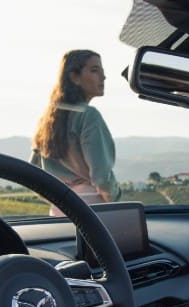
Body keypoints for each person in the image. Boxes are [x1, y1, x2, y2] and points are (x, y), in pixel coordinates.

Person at [32, 49, 118, 216]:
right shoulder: (89, 116)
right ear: (75, 77)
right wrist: (115, 200)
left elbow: (32, 175)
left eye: (102, 71)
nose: (103, 77)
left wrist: (59, 198)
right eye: (95, 70)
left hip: (59, 210)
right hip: (92, 210)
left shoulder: (47, 120)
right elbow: (101, 177)